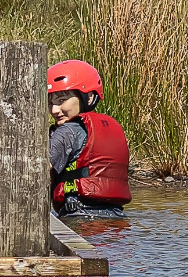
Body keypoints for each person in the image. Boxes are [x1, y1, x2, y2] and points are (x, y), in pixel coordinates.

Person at [46, 60, 132, 218]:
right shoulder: (112, 126)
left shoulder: (67, 131)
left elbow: (37, 171)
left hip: (77, 216)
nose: (54, 110)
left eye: (61, 100)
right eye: (50, 102)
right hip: (117, 219)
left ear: (89, 97)